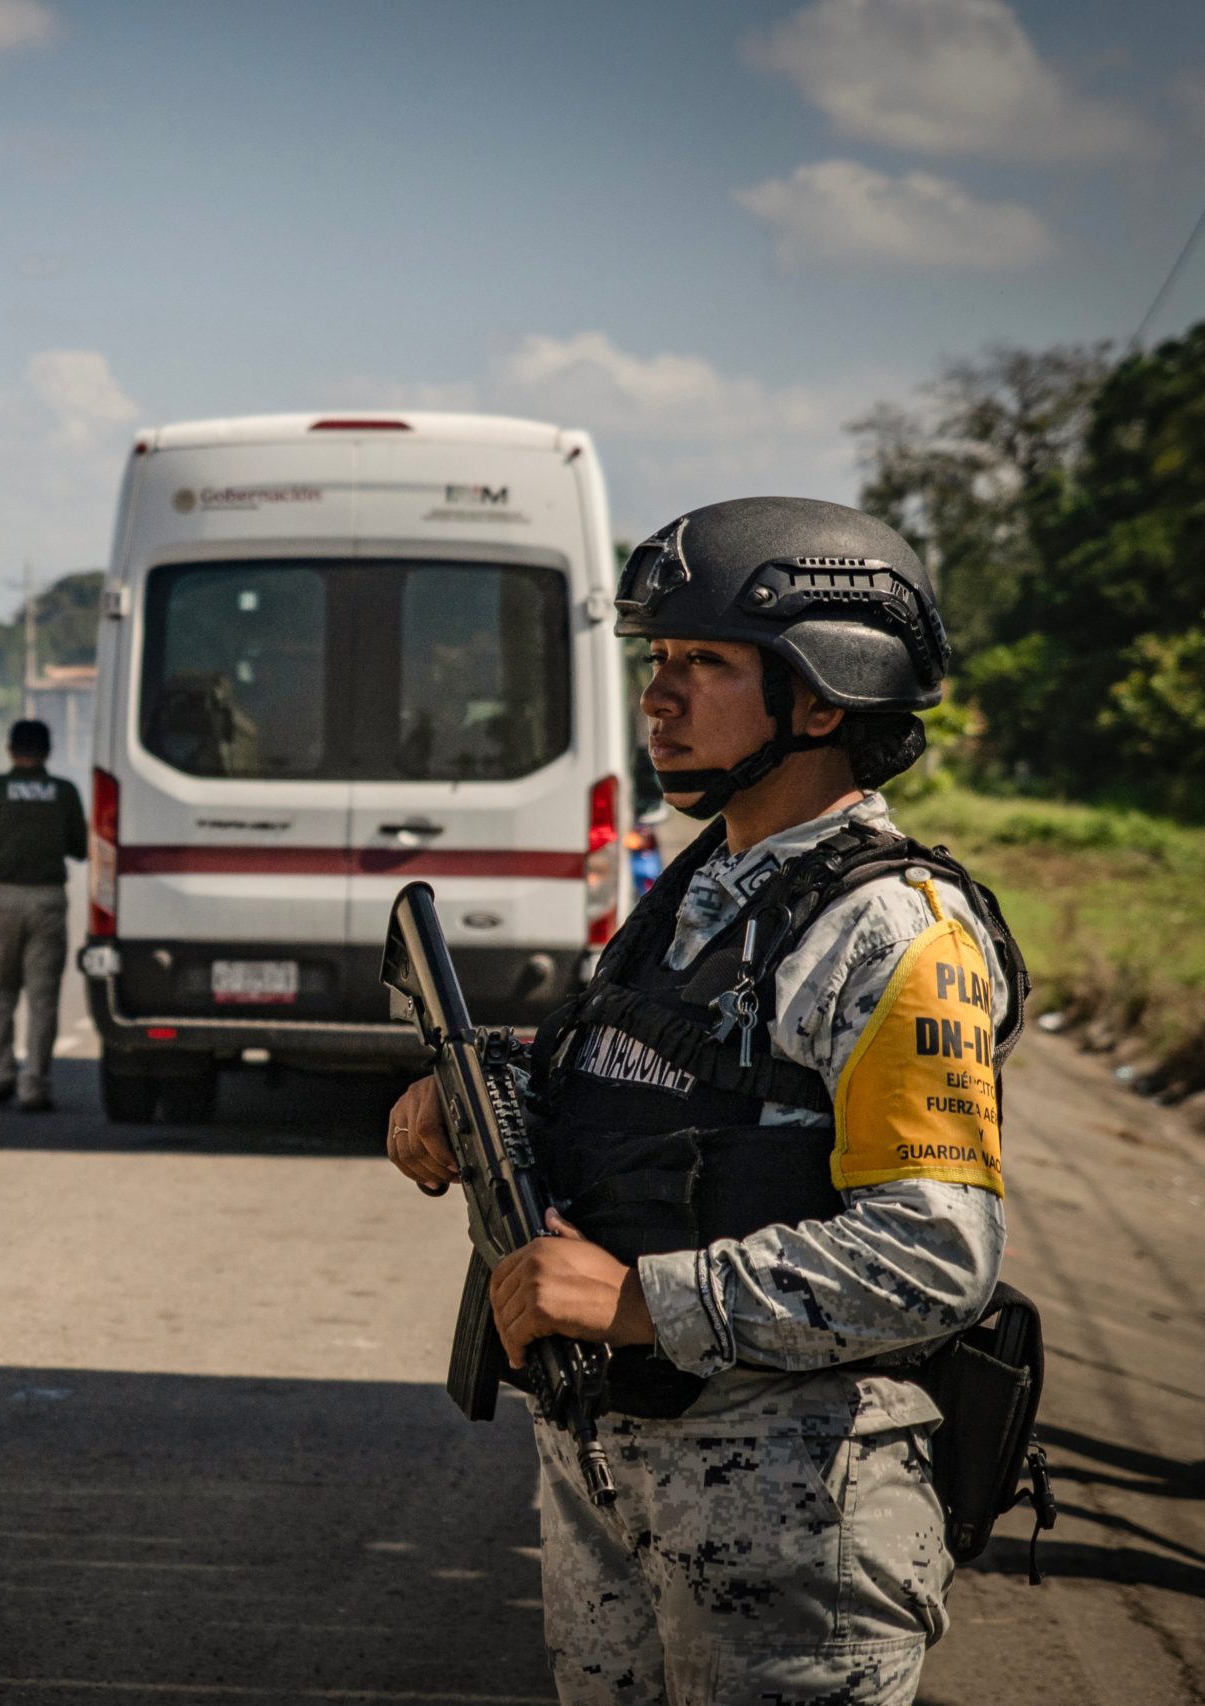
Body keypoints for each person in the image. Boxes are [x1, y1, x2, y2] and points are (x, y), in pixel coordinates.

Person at [386, 497, 1025, 1706]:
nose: (658, 696)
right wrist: (472, 1102)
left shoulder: (896, 932)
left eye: (706, 662)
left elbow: (936, 1254)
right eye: (657, 661)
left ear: (824, 696)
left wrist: (640, 1298)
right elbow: (659, 1083)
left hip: (788, 1509)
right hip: (611, 1475)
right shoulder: (700, 886)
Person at [0, 719, 87, 1111]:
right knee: (43, 997)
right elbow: (79, 847)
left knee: (1, 988)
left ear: (10, 750)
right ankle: (34, 1084)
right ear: (48, 752)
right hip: (48, 901)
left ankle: (0, 1073)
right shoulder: (64, 791)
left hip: (2, 899)